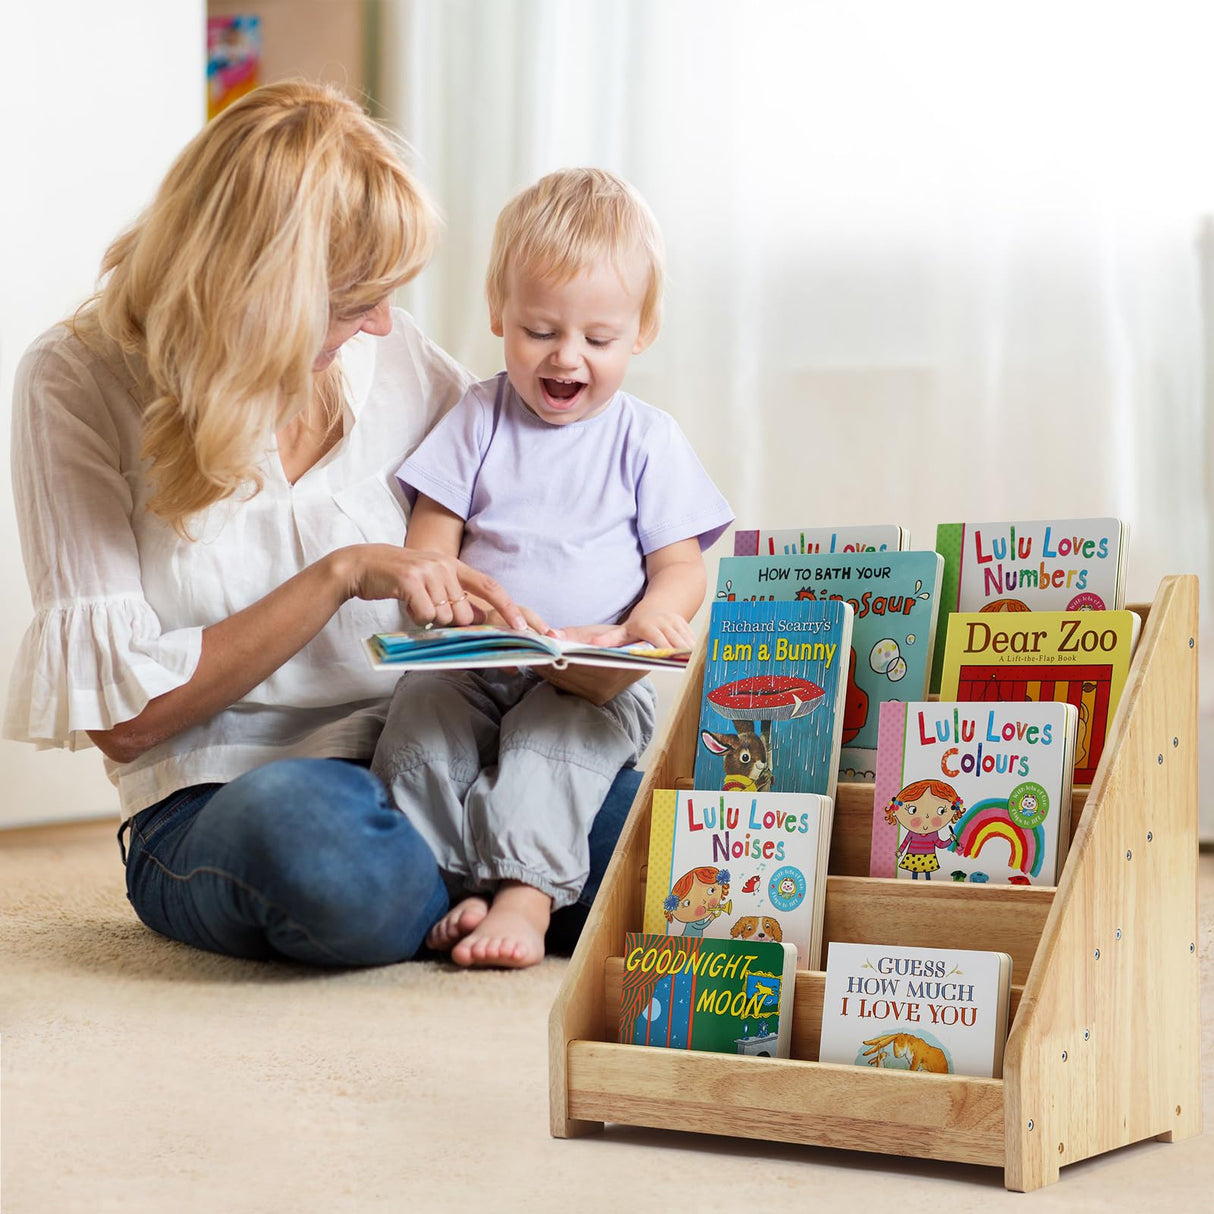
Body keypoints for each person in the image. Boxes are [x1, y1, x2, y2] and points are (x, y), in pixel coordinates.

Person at [3, 82, 643, 965]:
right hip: (223, 794)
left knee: (659, 844)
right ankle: (487, 883)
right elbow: (126, 721)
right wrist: (339, 574)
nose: (382, 323)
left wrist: (596, 640)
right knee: (315, 840)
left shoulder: (390, 353)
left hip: (430, 753)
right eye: (353, 302)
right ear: (259, 297)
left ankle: (465, 888)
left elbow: (532, 481)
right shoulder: (75, 381)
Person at [370, 168, 733, 968]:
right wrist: (437, 593)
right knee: (419, 727)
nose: (566, 357)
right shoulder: (478, 415)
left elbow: (680, 564)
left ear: (641, 330)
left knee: (548, 741)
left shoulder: (647, 439)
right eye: (539, 331)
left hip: (586, 672)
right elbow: (434, 531)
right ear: (499, 312)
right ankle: (449, 885)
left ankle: (526, 896)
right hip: (480, 657)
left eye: (597, 340)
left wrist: (652, 616)